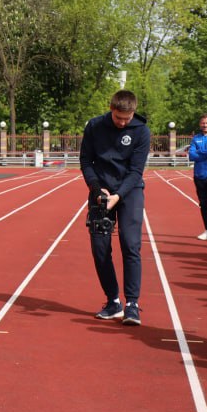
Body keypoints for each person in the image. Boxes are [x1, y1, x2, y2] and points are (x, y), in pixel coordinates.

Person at [81, 90, 150, 325]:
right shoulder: (94, 126)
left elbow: (136, 171)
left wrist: (118, 195)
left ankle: (132, 304)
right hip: (100, 192)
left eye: (126, 118)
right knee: (100, 249)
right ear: (111, 109)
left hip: (129, 191)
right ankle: (113, 301)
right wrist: (97, 188)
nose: (122, 122)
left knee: (131, 245)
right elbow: (85, 161)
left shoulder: (141, 130)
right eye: (119, 117)